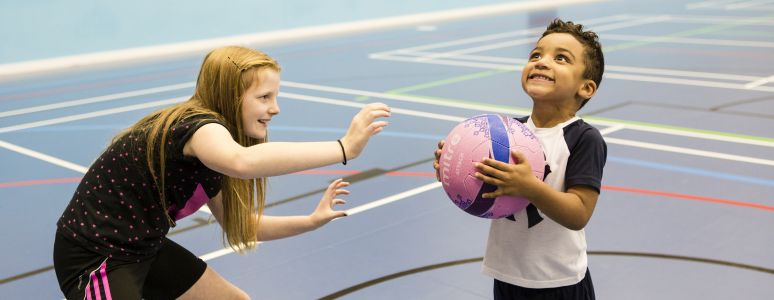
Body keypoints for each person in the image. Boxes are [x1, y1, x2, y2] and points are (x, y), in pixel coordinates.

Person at [53, 45, 391, 299]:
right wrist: (345, 148)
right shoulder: (199, 128)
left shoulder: (212, 152)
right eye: (264, 97)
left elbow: (243, 226)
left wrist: (310, 220)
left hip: (143, 248)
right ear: (231, 95)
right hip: (97, 256)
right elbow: (243, 163)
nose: (275, 108)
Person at [434, 19, 607, 300]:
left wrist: (530, 187)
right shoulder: (506, 133)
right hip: (507, 275)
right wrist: (453, 167)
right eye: (536, 55)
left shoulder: (584, 139)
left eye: (560, 58)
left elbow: (579, 214)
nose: (541, 62)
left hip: (558, 282)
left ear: (586, 88)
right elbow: (487, 191)